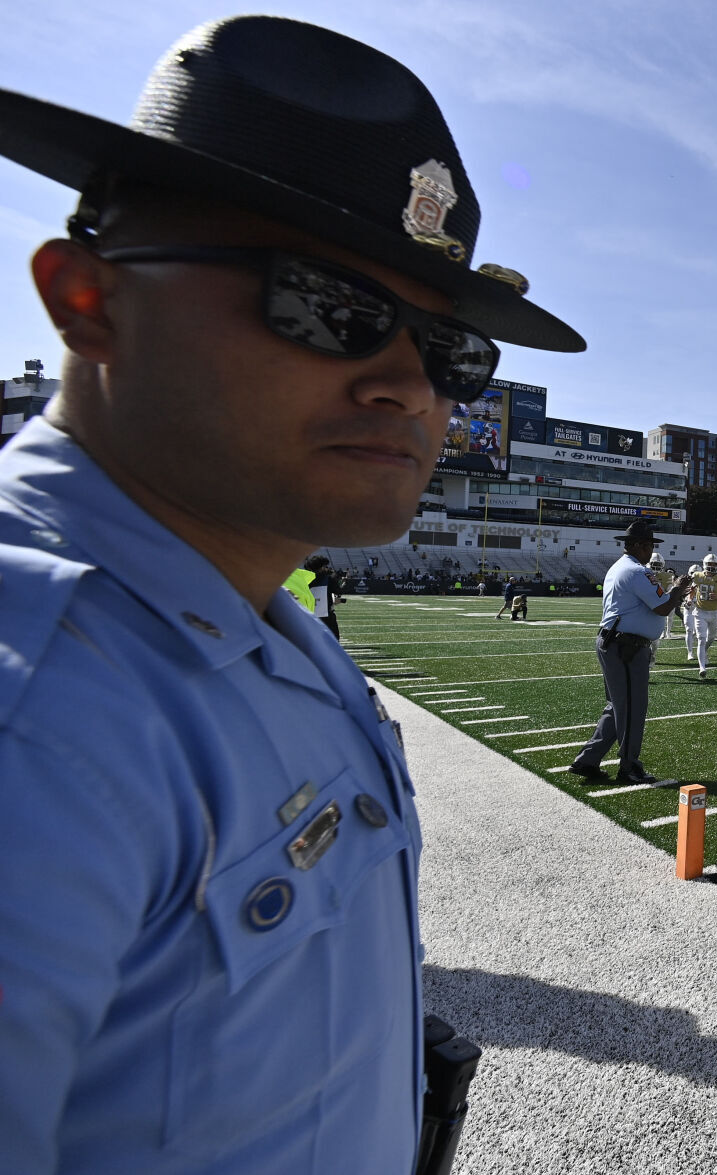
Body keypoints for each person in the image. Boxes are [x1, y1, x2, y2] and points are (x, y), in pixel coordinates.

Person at [0, 14, 584, 1172]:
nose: (411, 388)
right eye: (328, 307)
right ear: (87, 298)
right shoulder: (41, 707)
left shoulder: (265, 615)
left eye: (449, 348)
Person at [568, 520, 690, 783]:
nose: (650, 551)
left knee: (617, 707)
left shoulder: (621, 568)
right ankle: (629, 767)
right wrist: (679, 589)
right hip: (627, 646)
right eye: (648, 545)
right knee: (632, 708)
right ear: (636, 545)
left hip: (616, 642)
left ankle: (588, 760)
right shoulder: (637, 572)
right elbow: (661, 608)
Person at [685, 552, 717, 677]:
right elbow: (692, 591)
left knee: (711, 637)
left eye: (714, 564)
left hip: (714, 612)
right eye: (709, 564)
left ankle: (703, 652)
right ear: (704, 564)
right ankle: (702, 667)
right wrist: (689, 599)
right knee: (701, 639)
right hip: (700, 611)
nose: (712, 566)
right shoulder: (697, 576)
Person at [308, 554, 341, 640]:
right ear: (322, 567)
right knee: (333, 640)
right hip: (326, 616)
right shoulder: (328, 579)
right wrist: (334, 577)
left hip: (309, 615)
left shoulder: (305, 579)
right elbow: (338, 591)